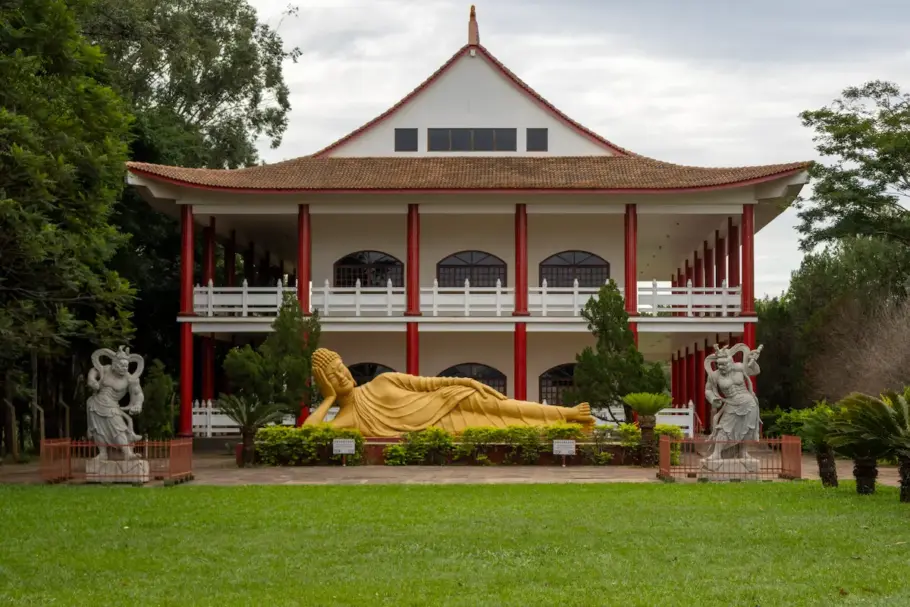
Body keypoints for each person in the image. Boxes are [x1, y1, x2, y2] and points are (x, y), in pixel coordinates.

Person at [305, 348, 594, 437]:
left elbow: (430, 383)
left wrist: (468, 383)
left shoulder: (383, 381)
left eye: (342, 368)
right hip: (443, 427)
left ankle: (566, 414)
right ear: (325, 381)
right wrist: (328, 398)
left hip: (450, 398)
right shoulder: (348, 418)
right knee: (507, 428)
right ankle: (565, 429)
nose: (342, 375)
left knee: (508, 408)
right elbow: (309, 434)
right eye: (333, 375)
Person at [703, 343, 762, 461]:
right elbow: (708, 390)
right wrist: (713, 399)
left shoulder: (739, 368)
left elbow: (755, 371)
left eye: (724, 364)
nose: (721, 367)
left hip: (749, 403)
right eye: (719, 364)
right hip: (732, 403)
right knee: (724, 428)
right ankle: (717, 453)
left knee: (747, 429)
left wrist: (752, 360)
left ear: (731, 362)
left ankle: (743, 452)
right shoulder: (714, 376)